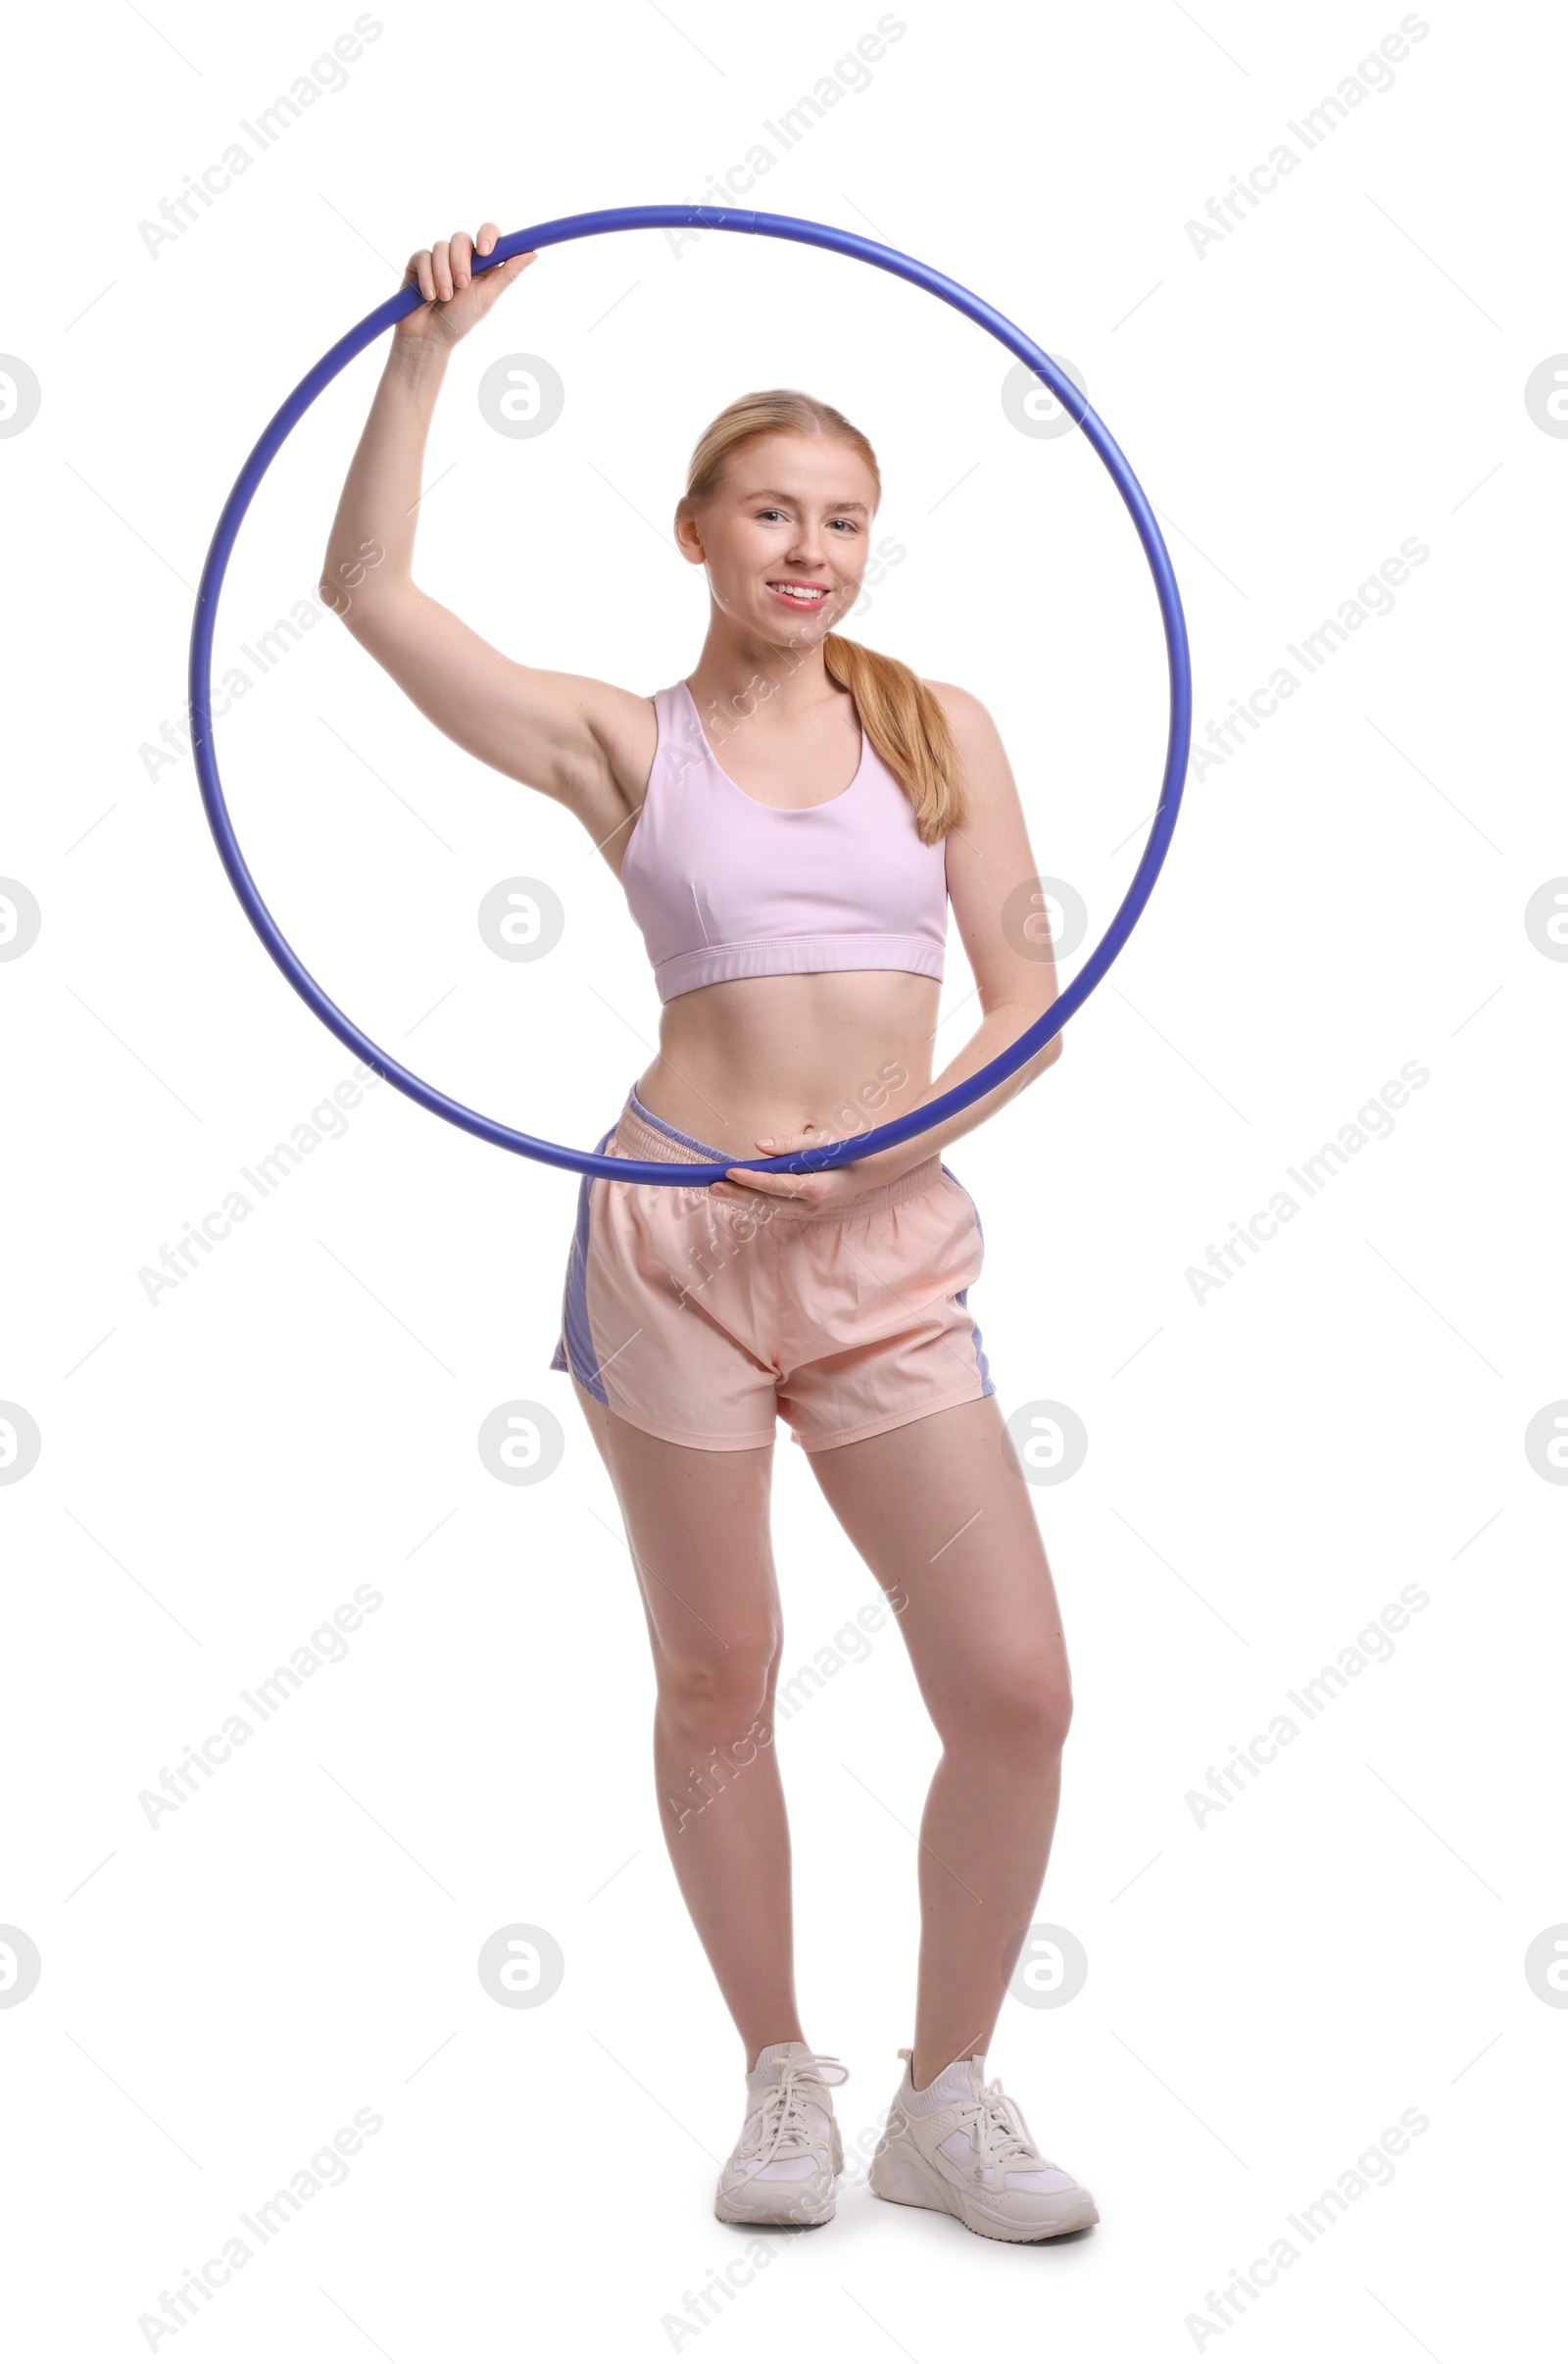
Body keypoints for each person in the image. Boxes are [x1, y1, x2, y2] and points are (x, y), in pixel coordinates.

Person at [320, 221, 1096, 2245]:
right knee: (716, 1677)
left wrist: (875, 1161)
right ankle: (778, 2079)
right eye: (771, 510)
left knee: (1011, 1689)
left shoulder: (939, 733)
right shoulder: (622, 743)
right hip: (671, 1243)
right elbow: (367, 593)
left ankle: (946, 2095)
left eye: (843, 518)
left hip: (879, 1249)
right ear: (696, 531)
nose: (810, 548)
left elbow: (1027, 1003)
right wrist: (427, 358)